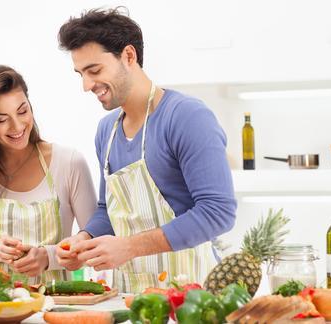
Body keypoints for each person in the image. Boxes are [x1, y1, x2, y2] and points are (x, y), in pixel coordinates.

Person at [55, 8, 237, 293]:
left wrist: (128, 247)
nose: (86, 85)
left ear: (129, 56)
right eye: (80, 74)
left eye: (94, 71)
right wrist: (84, 237)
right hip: (131, 298)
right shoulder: (107, 130)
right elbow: (107, 210)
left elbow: (218, 212)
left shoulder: (186, 117)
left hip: (192, 297)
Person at [0, 65, 97, 284]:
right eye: (1, 119)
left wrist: (49, 257)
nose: (17, 126)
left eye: (22, 111)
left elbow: (94, 244)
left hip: (56, 306)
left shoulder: (69, 162)